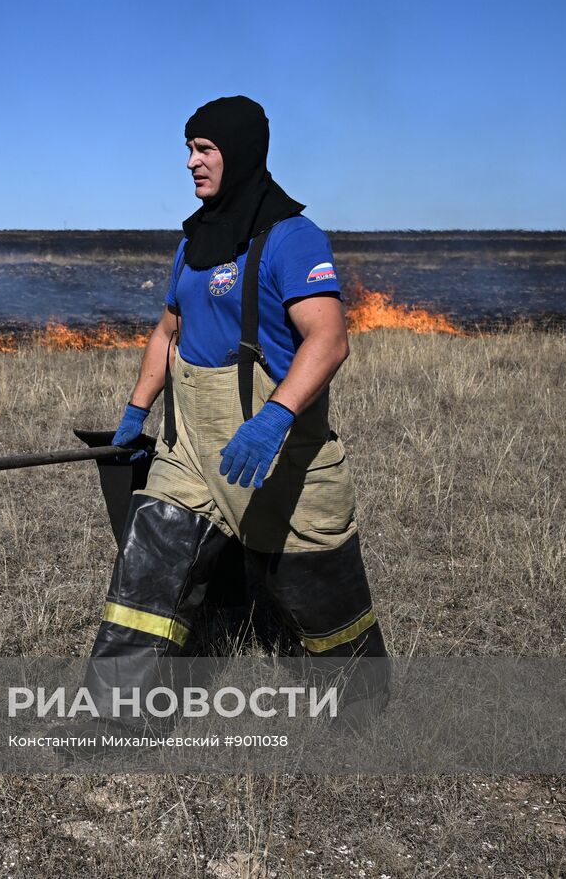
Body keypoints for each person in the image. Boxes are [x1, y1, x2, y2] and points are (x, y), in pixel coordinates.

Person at [85, 96, 387, 731]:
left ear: (241, 152)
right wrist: (135, 414)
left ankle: (363, 709)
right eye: (188, 149)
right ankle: (112, 720)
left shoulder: (290, 237)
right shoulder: (195, 241)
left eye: (205, 150)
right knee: (148, 569)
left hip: (279, 455)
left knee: (317, 594)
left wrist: (275, 418)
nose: (191, 163)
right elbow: (167, 332)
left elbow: (329, 339)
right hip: (189, 445)